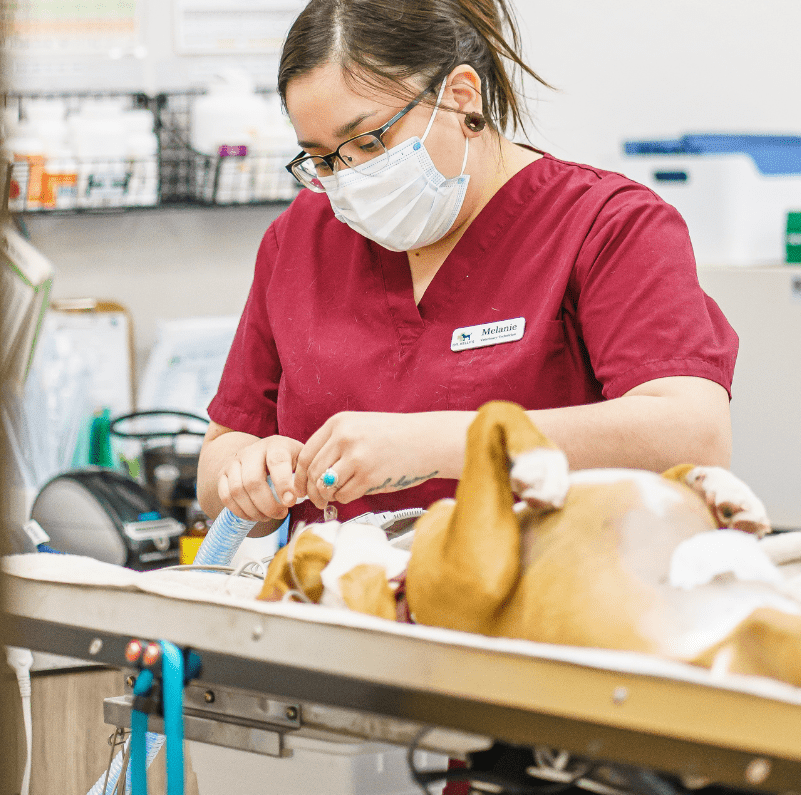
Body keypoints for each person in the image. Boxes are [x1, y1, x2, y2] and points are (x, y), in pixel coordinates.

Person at [198, 0, 738, 536]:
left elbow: (691, 435)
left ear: (460, 96)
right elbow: (218, 459)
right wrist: (252, 472)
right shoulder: (302, 238)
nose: (352, 177)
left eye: (368, 141)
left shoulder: (605, 224)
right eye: (322, 159)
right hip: (348, 603)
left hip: (541, 603)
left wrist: (440, 444)